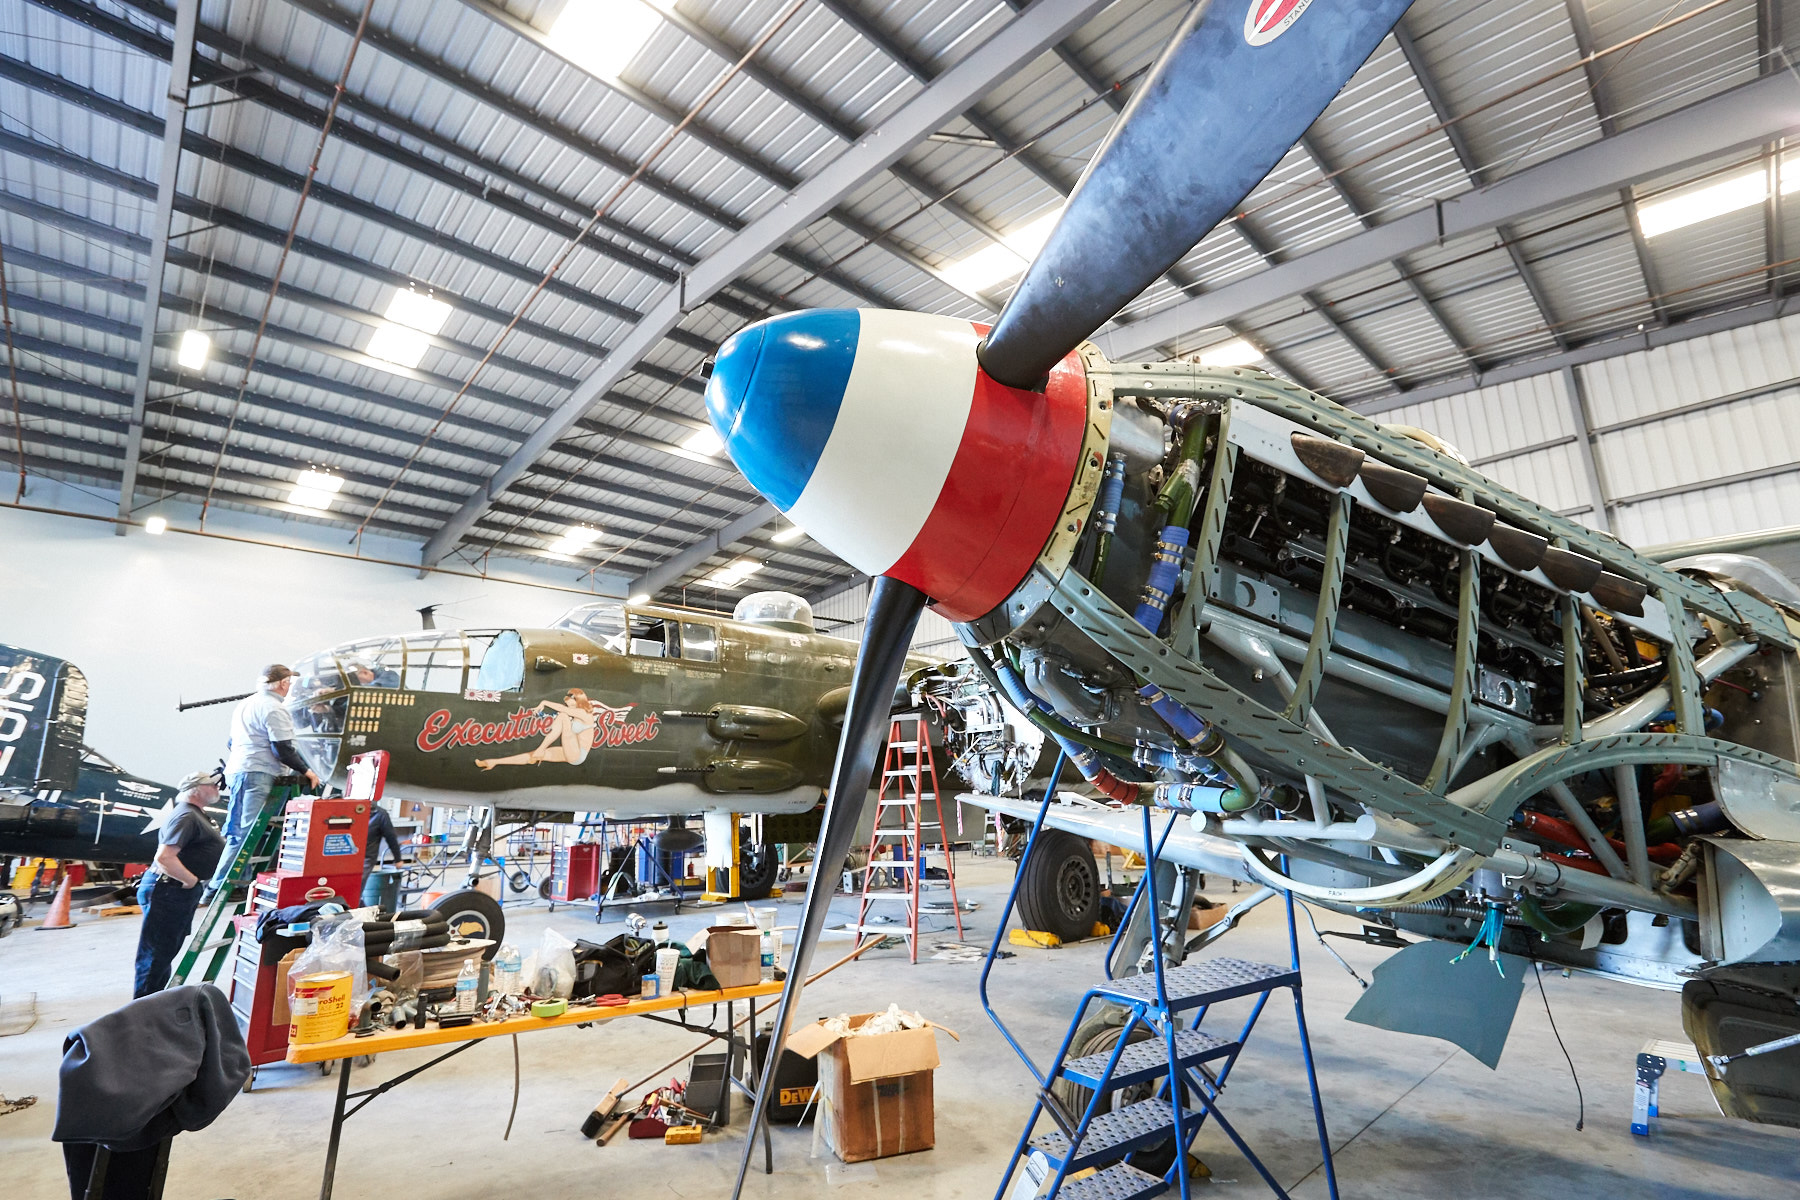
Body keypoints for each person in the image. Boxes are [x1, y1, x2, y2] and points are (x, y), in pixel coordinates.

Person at [209, 664, 319, 895]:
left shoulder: (245, 704)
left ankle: (239, 883)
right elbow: (282, 749)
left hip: (245, 770)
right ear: (283, 684)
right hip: (256, 773)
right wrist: (307, 771)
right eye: (289, 683)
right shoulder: (274, 708)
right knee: (244, 833)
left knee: (246, 832)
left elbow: (231, 742)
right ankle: (218, 887)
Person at [133, 769, 227, 997]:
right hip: (169, 890)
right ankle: (144, 1007)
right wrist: (190, 880)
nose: (217, 788)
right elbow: (164, 857)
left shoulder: (195, 814)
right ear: (196, 789)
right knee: (155, 955)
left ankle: (154, 1001)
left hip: (174, 891)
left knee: (163, 952)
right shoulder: (186, 816)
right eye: (211, 784)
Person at [476, 689, 597, 769]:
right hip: (573, 751)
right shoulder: (576, 713)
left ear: (578, 700)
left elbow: (562, 709)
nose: (567, 705)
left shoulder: (584, 713)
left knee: (563, 716)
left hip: (578, 752)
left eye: (570, 702)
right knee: (533, 755)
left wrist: (543, 702)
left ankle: (541, 748)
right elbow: (562, 708)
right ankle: (494, 762)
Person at [360, 803, 404, 908]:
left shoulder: (380, 814)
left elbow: (391, 837)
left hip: (365, 858)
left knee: (356, 889)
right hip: (354, 856)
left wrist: (398, 858)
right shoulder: (379, 814)